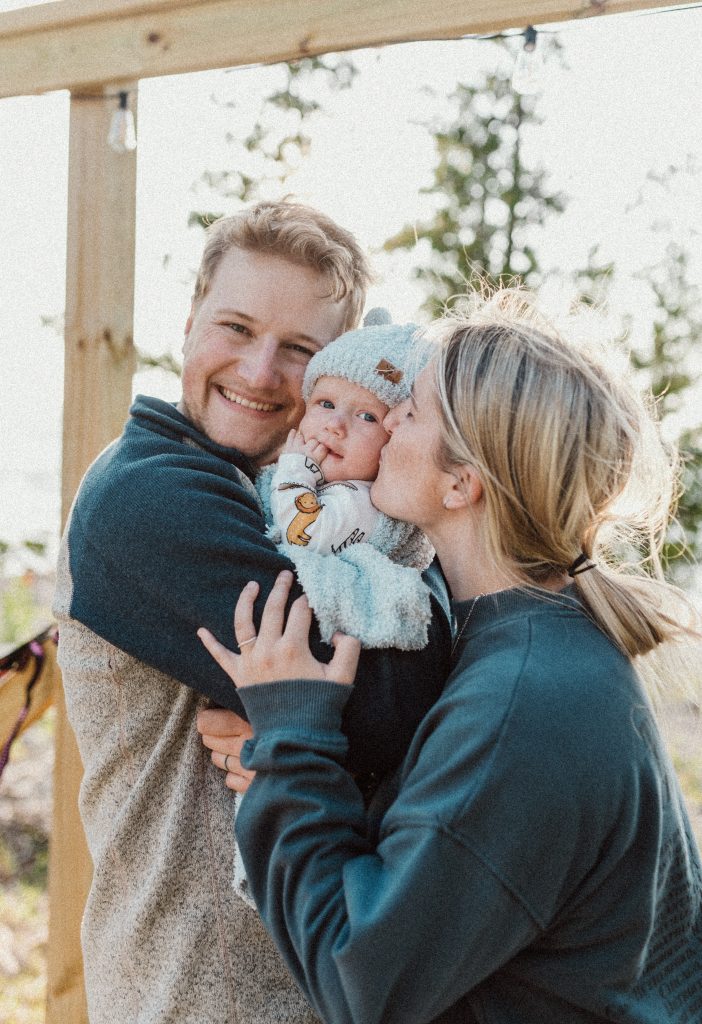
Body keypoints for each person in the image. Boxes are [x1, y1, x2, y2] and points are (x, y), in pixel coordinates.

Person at [199, 289, 702, 1024]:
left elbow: (365, 983)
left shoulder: (524, 700)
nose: (389, 413)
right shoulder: (529, 640)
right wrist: (294, 769)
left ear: (462, 482)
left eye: (413, 409)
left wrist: (294, 744)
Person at [53, 200, 452, 1024]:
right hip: (200, 996)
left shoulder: (286, 502)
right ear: (191, 316)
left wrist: (295, 737)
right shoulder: (152, 496)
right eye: (236, 327)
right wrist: (317, 731)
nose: (262, 372)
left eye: (300, 350)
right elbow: (392, 710)